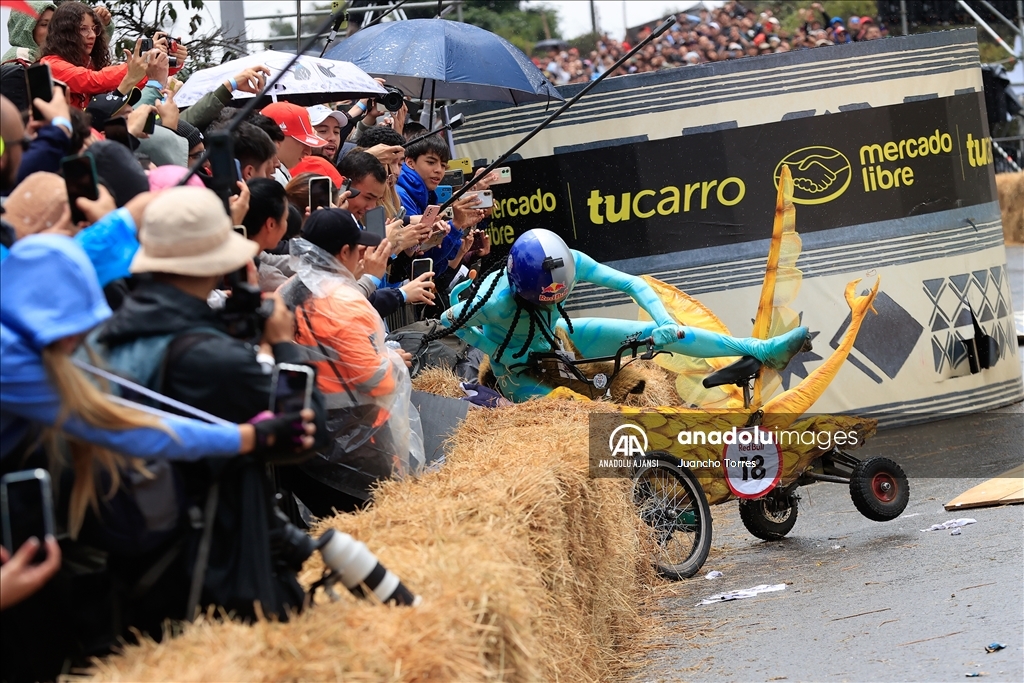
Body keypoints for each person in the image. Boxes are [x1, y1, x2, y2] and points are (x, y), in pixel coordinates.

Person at [436, 229, 811, 402]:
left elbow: (635, 285)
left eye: (558, 295)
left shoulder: (571, 261)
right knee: (578, 412)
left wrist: (663, 322)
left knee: (660, 331)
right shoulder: (493, 300)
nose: (552, 301)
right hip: (518, 372)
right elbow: (450, 320)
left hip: (559, 340)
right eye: (543, 299)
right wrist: (496, 349)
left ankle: (762, 349)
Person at [279, 209, 423, 514]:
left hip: (299, 444)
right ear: (344, 252)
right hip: (352, 445)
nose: (362, 255)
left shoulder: (285, 292)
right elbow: (375, 380)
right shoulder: (345, 305)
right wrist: (392, 360)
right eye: (358, 248)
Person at [39, 2, 176, 110]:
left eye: (94, 29)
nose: (92, 35)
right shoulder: (50, 64)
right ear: (64, 33)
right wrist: (142, 60)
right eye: (83, 29)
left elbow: (134, 82)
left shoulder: (89, 63)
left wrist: (167, 63)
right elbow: (95, 81)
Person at [241, 177, 292, 291]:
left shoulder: (249, 248)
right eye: (285, 219)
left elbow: (272, 260)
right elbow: (296, 294)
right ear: (271, 224)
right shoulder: (262, 277)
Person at [260, 102, 327, 185]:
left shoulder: (279, 171)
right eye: (301, 142)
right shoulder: (274, 175)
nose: (308, 152)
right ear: (277, 138)